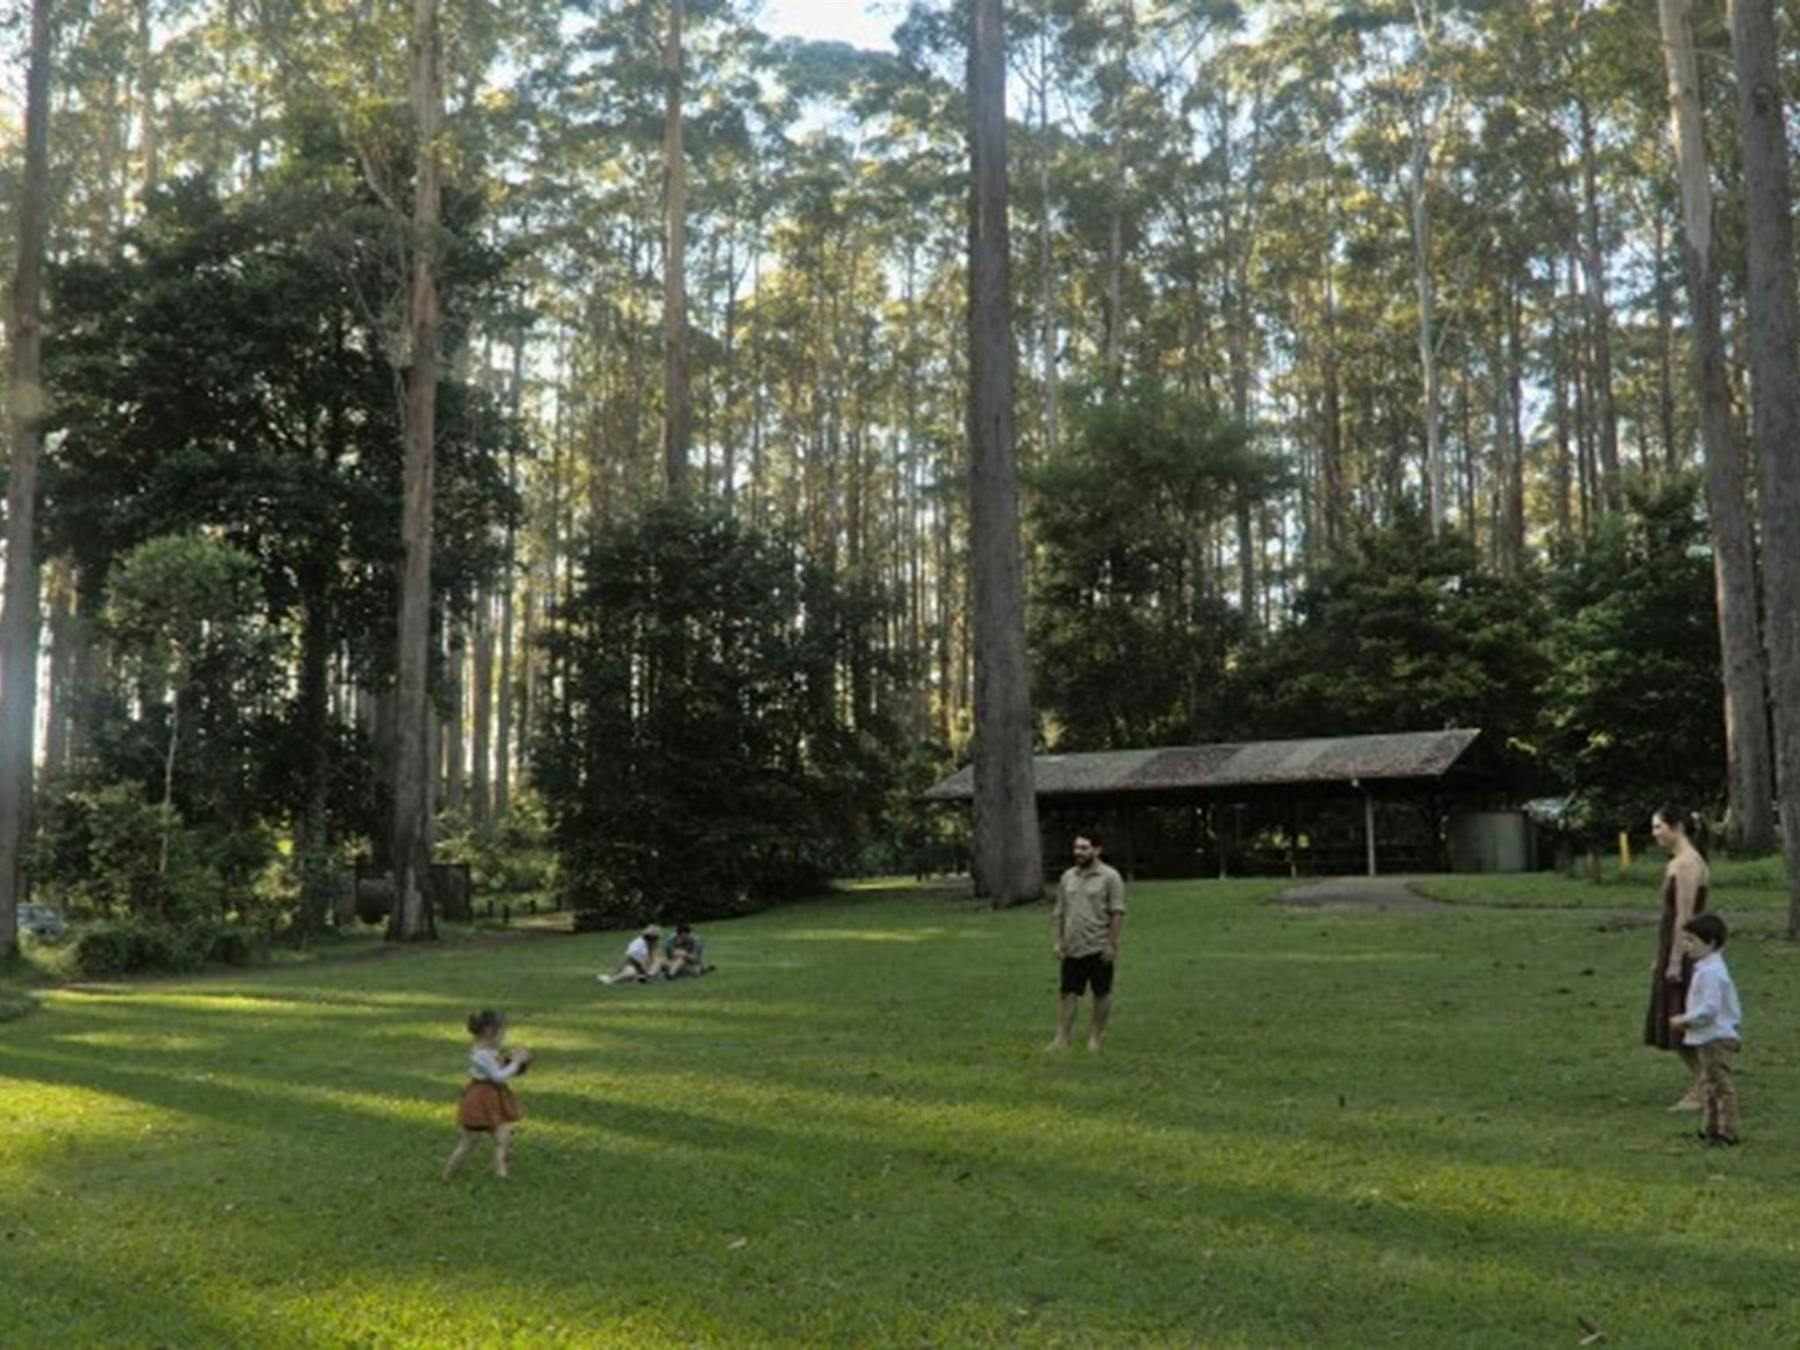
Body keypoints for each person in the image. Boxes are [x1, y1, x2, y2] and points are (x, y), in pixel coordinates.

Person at [1645, 805, 1709, 1110]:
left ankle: (1704, 1086)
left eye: (1659, 827)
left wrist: (1674, 960)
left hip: (1683, 950)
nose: (1655, 833)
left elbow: (1684, 916)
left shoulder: (1687, 864)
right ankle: (1704, 1083)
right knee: (1673, 1021)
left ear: (1677, 827)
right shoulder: (1677, 862)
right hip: (1670, 947)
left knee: (1681, 1021)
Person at [1048, 832, 1126, 1053]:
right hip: (1073, 947)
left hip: (1098, 945)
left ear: (1097, 850)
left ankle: (1095, 1038)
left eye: (1084, 848)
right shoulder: (1067, 877)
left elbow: (1117, 912)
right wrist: (1058, 940)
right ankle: (1061, 1038)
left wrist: (1111, 944)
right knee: (1067, 993)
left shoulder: (1110, 877)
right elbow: (1059, 912)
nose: (1078, 852)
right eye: (1076, 848)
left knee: (1101, 993)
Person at [1668, 912, 1742, 1146]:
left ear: (1710, 943)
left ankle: (1727, 1131)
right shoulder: (1705, 968)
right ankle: (1709, 1129)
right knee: (1709, 1085)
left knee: (1720, 1086)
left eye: (1691, 940)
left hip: (1715, 1037)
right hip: (1706, 1037)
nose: (1686, 946)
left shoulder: (1712, 973)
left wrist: (1686, 1020)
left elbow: (1710, 1008)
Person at [444, 1009, 531, 1180]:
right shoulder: (480, 1055)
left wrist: (516, 1063)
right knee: (469, 1142)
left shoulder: (490, 1051)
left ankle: (501, 1172)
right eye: (502, 1033)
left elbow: (500, 1068)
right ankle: (448, 1173)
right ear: (489, 1032)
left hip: (492, 1098)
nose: (504, 1037)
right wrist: (515, 1063)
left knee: (503, 1133)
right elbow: (498, 1077)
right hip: (480, 1099)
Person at [598, 923, 668, 984]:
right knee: (630, 973)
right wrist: (646, 971)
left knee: (660, 960)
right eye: (656, 938)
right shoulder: (637, 944)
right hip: (632, 964)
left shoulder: (651, 945)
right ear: (651, 938)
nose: (657, 940)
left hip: (644, 966)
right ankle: (612, 980)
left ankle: (647, 976)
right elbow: (637, 960)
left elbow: (654, 956)